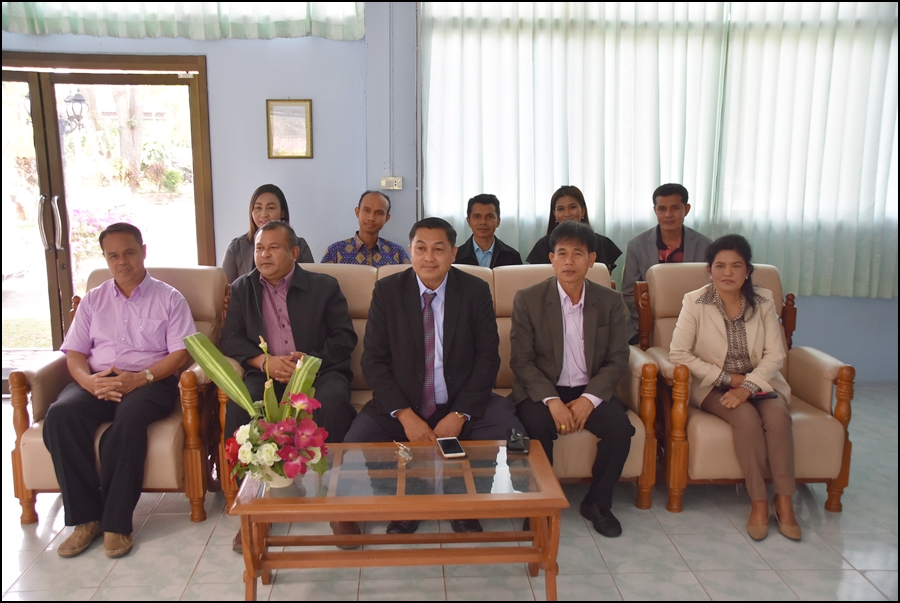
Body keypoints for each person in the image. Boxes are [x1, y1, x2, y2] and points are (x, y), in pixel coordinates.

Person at [334, 217, 525, 538]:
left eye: (438, 249)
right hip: (403, 402)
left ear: (453, 253)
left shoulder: (474, 291)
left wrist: (459, 413)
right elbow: (374, 361)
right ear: (410, 251)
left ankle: (465, 506)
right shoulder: (388, 291)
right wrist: (405, 415)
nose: (429, 257)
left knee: (507, 426)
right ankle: (403, 507)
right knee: (358, 438)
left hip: (460, 399)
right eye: (421, 248)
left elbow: (487, 359)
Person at [43, 223, 196, 559]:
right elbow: (75, 353)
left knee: (128, 421)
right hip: (99, 379)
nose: (122, 261)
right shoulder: (93, 300)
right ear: (105, 258)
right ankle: (86, 519)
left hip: (150, 381)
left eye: (128, 252)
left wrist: (141, 378)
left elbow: (180, 354)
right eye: (113, 256)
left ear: (143, 251)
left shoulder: (169, 298)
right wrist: (87, 381)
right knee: (60, 416)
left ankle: (116, 523)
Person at [221, 220, 357, 552]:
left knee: (334, 403)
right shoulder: (242, 289)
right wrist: (263, 361)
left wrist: (309, 361)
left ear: (294, 252)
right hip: (266, 375)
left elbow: (344, 337)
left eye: (273, 248)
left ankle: (338, 505)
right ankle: (253, 511)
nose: (264, 255)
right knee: (242, 407)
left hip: (318, 372)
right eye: (259, 248)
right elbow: (231, 339)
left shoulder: (324, 286)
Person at [669, 234, 800, 542]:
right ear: (709, 269)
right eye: (720, 266)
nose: (727, 272)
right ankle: (759, 501)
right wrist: (728, 380)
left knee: (779, 418)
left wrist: (747, 387)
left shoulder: (764, 301)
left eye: (736, 266)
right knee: (746, 419)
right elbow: (678, 353)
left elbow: (775, 355)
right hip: (714, 386)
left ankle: (784, 500)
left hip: (760, 383)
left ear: (748, 270)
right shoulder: (695, 301)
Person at [511, 221, 634, 538]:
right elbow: (521, 361)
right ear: (551, 259)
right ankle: (539, 505)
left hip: (590, 388)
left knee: (620, 429)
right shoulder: (528, 299)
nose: (569, 261)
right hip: (544, 389)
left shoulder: (609, 301)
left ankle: (597, 503)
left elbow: (618, 359)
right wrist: (552, 401)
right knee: (535, 426)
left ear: (592, 259)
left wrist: (589, 400)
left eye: (577, 253)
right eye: (562, 253)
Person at [621, 183, 712, 340]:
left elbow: (711, 290)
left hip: (695, 323)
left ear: (686, 209)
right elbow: (629, 292)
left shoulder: (705, 245)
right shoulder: (637, 245)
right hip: (646, 324)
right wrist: (649, 314)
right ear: (655, 210)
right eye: (662, 209)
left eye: (675, 208)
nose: (668, 215)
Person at [221, 184, 314, 283]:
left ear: (283, 212)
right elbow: (225, 287)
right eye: (258, 208)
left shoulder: (299, 245)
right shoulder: (236, 247)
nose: (264, 214)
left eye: (271, 208)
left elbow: (312, 283)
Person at [525, 185, 621, 272]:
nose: (567, 214)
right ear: (554, 214)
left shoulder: (603, 244)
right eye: (561, 209)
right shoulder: (542, 246)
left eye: (572, 207)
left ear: (583, 210)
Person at [320, 190, 410, 266]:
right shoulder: (335, 251)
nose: (371, 218)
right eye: (367, 210)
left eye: (379, 213)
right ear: (357, 212)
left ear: (386, 218)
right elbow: (322, 281)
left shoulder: (398, 254)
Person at [454, 193, 523, 267]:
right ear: (468, 221)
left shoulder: (512, 256)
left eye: (489, 217)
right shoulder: (455, 256)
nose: (483, 222)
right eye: (477, 217)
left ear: (498, 221)